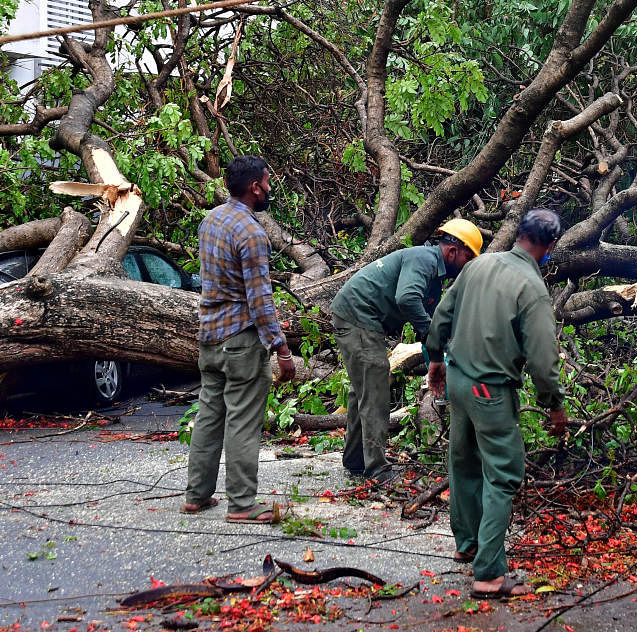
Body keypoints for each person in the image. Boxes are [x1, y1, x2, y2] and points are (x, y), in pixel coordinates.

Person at [425, 209, 568, 599]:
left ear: (520, 234)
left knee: (464, 461)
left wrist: (435, 357)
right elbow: (542, 357)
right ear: (549, 245)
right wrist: (554, 404)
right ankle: (488, 573)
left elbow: (442, 314)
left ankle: (467, 543)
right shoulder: (532, 287)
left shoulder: (478, 265)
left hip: (457, 379)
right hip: (490, 389)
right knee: (503, 472)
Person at [182, 155, 297, 523]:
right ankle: (243, 504)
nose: (270, 188)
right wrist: (281, 348)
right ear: (255, 187)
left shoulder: (209, 220)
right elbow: (260, 300)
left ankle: (196, 496)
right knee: (243, 421)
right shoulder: (251, 233)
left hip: (209, 337)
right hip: (241, 341)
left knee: (209, 417)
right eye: (267, 181)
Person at [330, 218, 483, 480]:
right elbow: (407, 298)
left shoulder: (435, 277)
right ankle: (377, 469)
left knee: (363, 390)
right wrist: (429, 331)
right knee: (376, 387)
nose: (468, 266)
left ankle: (356, 460)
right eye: (468, 258)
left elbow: (432, 324)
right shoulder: (424, 259)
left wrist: (437, 358)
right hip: (358, 316)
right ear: (453, 251)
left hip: (363, 319)